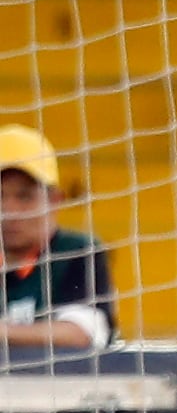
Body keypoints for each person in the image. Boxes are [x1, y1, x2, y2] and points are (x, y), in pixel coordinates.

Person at [0, 124, 116, 353]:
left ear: (55, 200)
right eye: (0, 196)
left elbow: (81, 333)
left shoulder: (77, 251)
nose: (10, 211)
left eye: (24, 196)